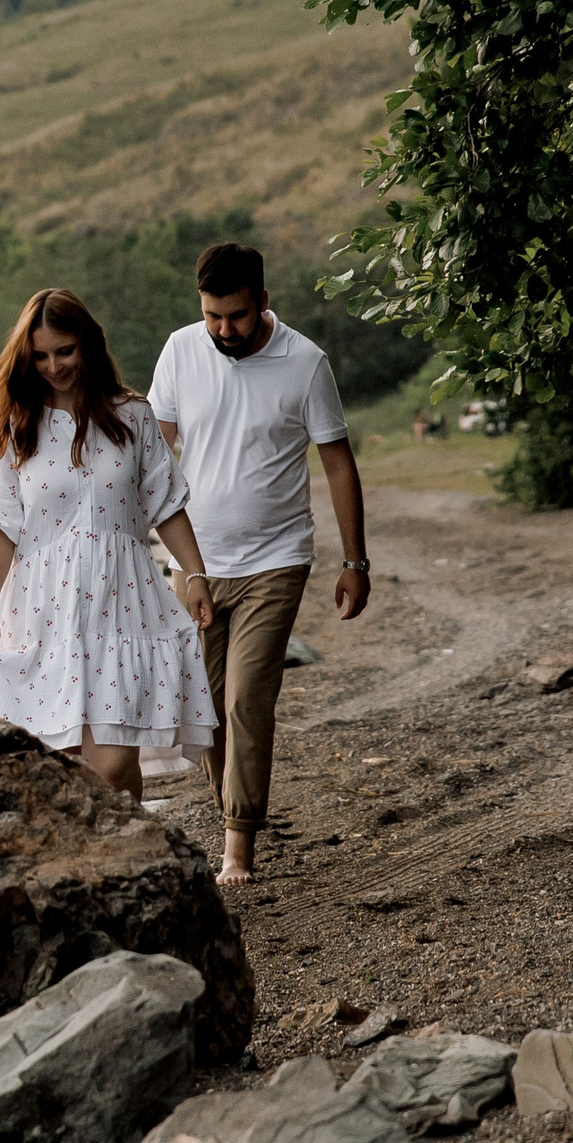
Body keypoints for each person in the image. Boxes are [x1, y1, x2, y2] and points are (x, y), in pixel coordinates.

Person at [149, 241, 370, 887]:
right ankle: (232, 808)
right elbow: (153, 456)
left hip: (276, 560)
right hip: (195, 562)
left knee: (247, 698)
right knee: (206, 705)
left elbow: (338, 463)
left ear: (263, 301)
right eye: (212, 316)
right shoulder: (180, 351)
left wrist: (354, 559)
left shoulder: (305, 363)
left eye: (237, 316)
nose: (223, 329)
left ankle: (237, 844)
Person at [0, 288, 218, 801]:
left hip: (123, 603)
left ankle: (128, 840)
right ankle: (113, 847)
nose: (53, 366)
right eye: (40, 355)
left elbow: (166, 503)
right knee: (60, 764)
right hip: (44, 608)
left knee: (113, 763)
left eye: (65, 351)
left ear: (88, 344)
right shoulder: (13, 425)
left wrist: (194, 574)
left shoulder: (133, 416)